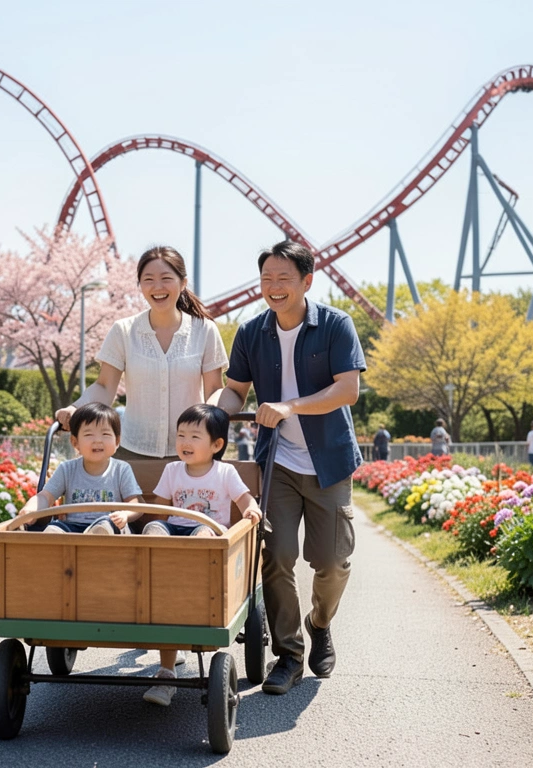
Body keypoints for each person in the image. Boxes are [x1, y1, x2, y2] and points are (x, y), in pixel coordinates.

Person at [214, 240, 365, 696]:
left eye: (283, 279)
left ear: (306, 281)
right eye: (266, 279)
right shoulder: (251, 331)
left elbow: (348, 390)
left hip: (329, 463)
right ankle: (290, 656)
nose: (273, 288)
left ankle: (319, 623)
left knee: (332, 561)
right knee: (275, 560)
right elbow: (235, 390)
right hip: (275, 463)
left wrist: (288, 406)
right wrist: (211, 420)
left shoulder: (335, 325)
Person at [55, 247, 227, 462]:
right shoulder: (123, 331)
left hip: (192, 452)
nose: (157, 287)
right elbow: (104, 387)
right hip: (133, 450)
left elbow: (214, 390)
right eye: (148, 280)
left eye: (166, 278)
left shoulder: (205, 330)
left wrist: (208, 423)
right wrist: (75, 408)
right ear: (140, 286)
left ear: (183, 283)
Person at [140, 405, 263, 706]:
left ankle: (185, 579)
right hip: (174, 536)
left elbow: (244, 497)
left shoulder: (224, 472)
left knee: (205, 536)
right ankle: (167, 672)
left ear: (217, 445)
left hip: (205, 535)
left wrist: (251, 507)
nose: (185, 442)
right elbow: (160, 509)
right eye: (181, 435)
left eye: (195, 436)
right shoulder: (172, 470)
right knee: (155, 528)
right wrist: (154, 525)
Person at [17, 403, 143, 534]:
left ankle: (98, 536)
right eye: (89, 435)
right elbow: (45, 496)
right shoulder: (67, 469)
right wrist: (31, 508)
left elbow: (136, 505)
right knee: (53, 529)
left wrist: (125, 515)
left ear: (117, 442)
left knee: (106, 526)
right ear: (75, 442)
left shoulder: (121, 469)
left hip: (109, 525)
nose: (97, 440)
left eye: (105, 434)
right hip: (73, 527)